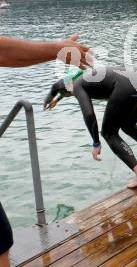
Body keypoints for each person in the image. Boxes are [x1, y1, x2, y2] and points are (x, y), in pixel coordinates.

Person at [0, 34, 90, 267]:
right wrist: (58, 49)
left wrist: (58, 49)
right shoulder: (68, 85)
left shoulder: (71, 84)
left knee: (1, 239)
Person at [43, 65, 137, 187]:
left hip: (130, 86)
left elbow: (89, 114)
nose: (71, 95)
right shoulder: (95, 78)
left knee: (109, 133)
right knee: (128, 126)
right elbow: (135, 91)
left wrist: (95, 143)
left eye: (68, 93)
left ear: (70, 84)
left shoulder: (78, 84)